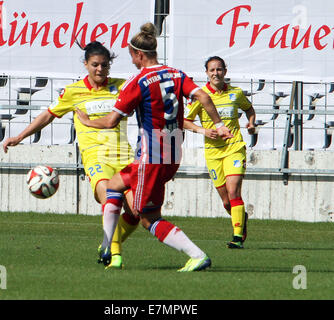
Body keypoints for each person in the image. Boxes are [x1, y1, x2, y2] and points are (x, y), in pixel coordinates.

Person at [75, 22, 233, 272]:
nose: (132, 61)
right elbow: (203, 96)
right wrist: (219, 124)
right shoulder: (177, 74)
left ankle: (197, 255)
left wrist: (86, 121)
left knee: (147, 218)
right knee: (115, 185)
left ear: (138, 54)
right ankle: (107, 245)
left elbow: (111, 121)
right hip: (172, 152)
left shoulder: (137, 82)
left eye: (131, 56)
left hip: (152, 155)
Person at [2, 41, 140, 269]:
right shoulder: (73, 92)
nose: (99, 69)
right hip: (96, 158)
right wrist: (19, 136)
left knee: (136, 212)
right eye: (95, 64)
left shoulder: (122, 87)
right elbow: (47, 116)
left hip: (124, 157)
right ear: (85, 64)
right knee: (110, 198)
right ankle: (114, 256)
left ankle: (107, 241)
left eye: (104, 65)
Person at [184, 56, 256, 249]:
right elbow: (184, 121)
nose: (216, 73)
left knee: (234, 191)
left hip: (234, 147)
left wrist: (251, 122)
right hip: (213, 152)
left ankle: (237, 237)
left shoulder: (235, 93)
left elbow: (249, 109)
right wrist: (204, 131)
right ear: (206, 73)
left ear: (225, 71)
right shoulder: (201, 96)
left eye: (219, 69)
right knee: (226, 201)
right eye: (212, 70)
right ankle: (241, 218)